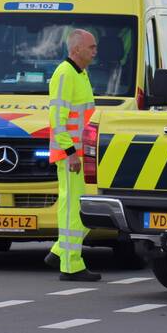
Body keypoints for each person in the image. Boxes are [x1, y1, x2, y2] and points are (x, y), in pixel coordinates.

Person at [44, 29, 102, 282]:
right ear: (76, 49)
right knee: (71, 210)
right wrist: (70, 153)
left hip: (80, 154)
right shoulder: (65, 74)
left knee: (84, 208)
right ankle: (70, 266)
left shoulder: (80, 73)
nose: (95, 51)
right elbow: (57, 120)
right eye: (91, 47)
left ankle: (60, 252)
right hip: (71, 156)